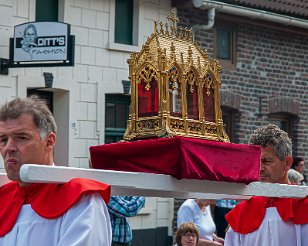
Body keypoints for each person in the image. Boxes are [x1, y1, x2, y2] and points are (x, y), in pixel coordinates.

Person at [0, 96, 112, 245]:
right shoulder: (3, 197)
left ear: (49, 142)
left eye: (21, 137)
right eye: (3, 140)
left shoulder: (81, 200)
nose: (8, 148)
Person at [224, 124, 308, 246]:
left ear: (287, 162)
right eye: (256, 162)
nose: (260, 168)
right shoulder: (241, 214)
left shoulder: (304, 207)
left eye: (267, 161)